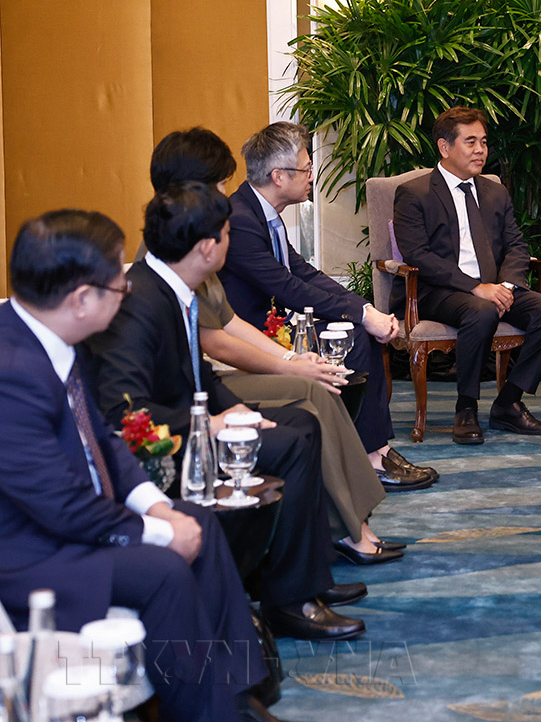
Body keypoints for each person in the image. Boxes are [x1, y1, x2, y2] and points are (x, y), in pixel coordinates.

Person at [0, 209, 289, 722]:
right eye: (118, 284)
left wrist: (157, 507)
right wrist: (154, 532)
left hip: (70, 525)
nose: (126, 291)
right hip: (30, 553)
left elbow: (104, 441)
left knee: (198, 520)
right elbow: (59, 504)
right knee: (162, 569)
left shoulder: (51, 335)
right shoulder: (12, 373)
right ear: (81, 299)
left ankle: (237, 694)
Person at [87, 183, 367, 641]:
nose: (230, 243)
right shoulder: (141, 302)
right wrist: (211, 423)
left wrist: (239, 411)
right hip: (168, 444)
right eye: (227, 233)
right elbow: (124, 409)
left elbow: (200, 377)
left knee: (300, 423)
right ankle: (291, 601)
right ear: (206, 247)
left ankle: (304, 576)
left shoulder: (171, 287)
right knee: (291, 444)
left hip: (192, 421)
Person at [146, 127, 404, 564]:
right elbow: (215, 341)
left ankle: (355, 519)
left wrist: (292, 357)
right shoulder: (184, 246)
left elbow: (229, 319)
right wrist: (289, 364)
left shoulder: (198, 238)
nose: (226, 195)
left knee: (315, 387)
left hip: (215, 376)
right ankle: (349, 527)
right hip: (196, 392)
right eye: (219, 184)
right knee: (310, 395)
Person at [218, 121, 434, 491]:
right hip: (255, 335)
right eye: (306, 169)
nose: (311, 176)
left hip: (281, 323)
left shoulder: (261, 212)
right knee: (354, 337)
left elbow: (303, 273)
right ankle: (370, 454)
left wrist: (365, 309)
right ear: (278, 176)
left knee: (357, 331)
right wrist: (363, 316)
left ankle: (374, 449)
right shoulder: (240, 220)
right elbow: (286, 288)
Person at [391, 107, 541, 445]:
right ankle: (466, 408)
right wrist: (476, 288)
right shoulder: (414, 193)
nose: (480, 150)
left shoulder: (494, 192)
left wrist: (505, 287)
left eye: (484, 142)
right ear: (445, 147)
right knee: (482, 309)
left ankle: (508, 403)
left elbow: (516, 245)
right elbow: (418, 255)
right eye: (470, 142)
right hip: (437, 291)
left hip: (492, 287)